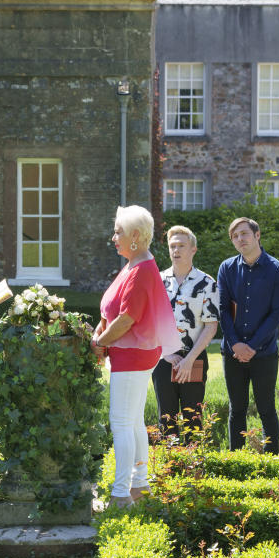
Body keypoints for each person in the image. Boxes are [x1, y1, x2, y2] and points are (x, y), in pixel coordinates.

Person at [91, 205, 182, 508]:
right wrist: (101, 335)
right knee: (132, 423)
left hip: (132, 356)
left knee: (121, 423)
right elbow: (115, 311)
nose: (113, 237)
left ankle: (120, 494)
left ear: (135, 236)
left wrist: (99, 343)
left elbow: (128, 318)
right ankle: (139, 487)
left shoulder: (141, 269)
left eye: (118, 231)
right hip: (133, 355)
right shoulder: (135, 264)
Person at [216, 217, 279, 454]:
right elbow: (223, 310)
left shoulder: (277, 270)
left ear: (257, 235)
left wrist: (253, 346)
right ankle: (237, 460)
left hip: (265, 353)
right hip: (232, 353)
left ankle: (272, 461)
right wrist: (236, 344)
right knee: (236, 409)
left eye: (244, 233)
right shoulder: (226, 268)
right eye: (235, 236)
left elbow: (277, 313)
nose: (240, 239)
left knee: (267, 408)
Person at [152, 225, 219, 441]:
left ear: (193, 250)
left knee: (193, 421)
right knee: (166, 420)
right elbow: (150, 322)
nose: (176, 250)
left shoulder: (207, 283)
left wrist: (189, 360)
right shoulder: (157, 282)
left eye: (181, 245)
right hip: (163, 360)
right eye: (172, 246)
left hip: (194, 358)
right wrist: (166, 355)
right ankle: (169, 470)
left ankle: (193, 470)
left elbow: (211, 326)